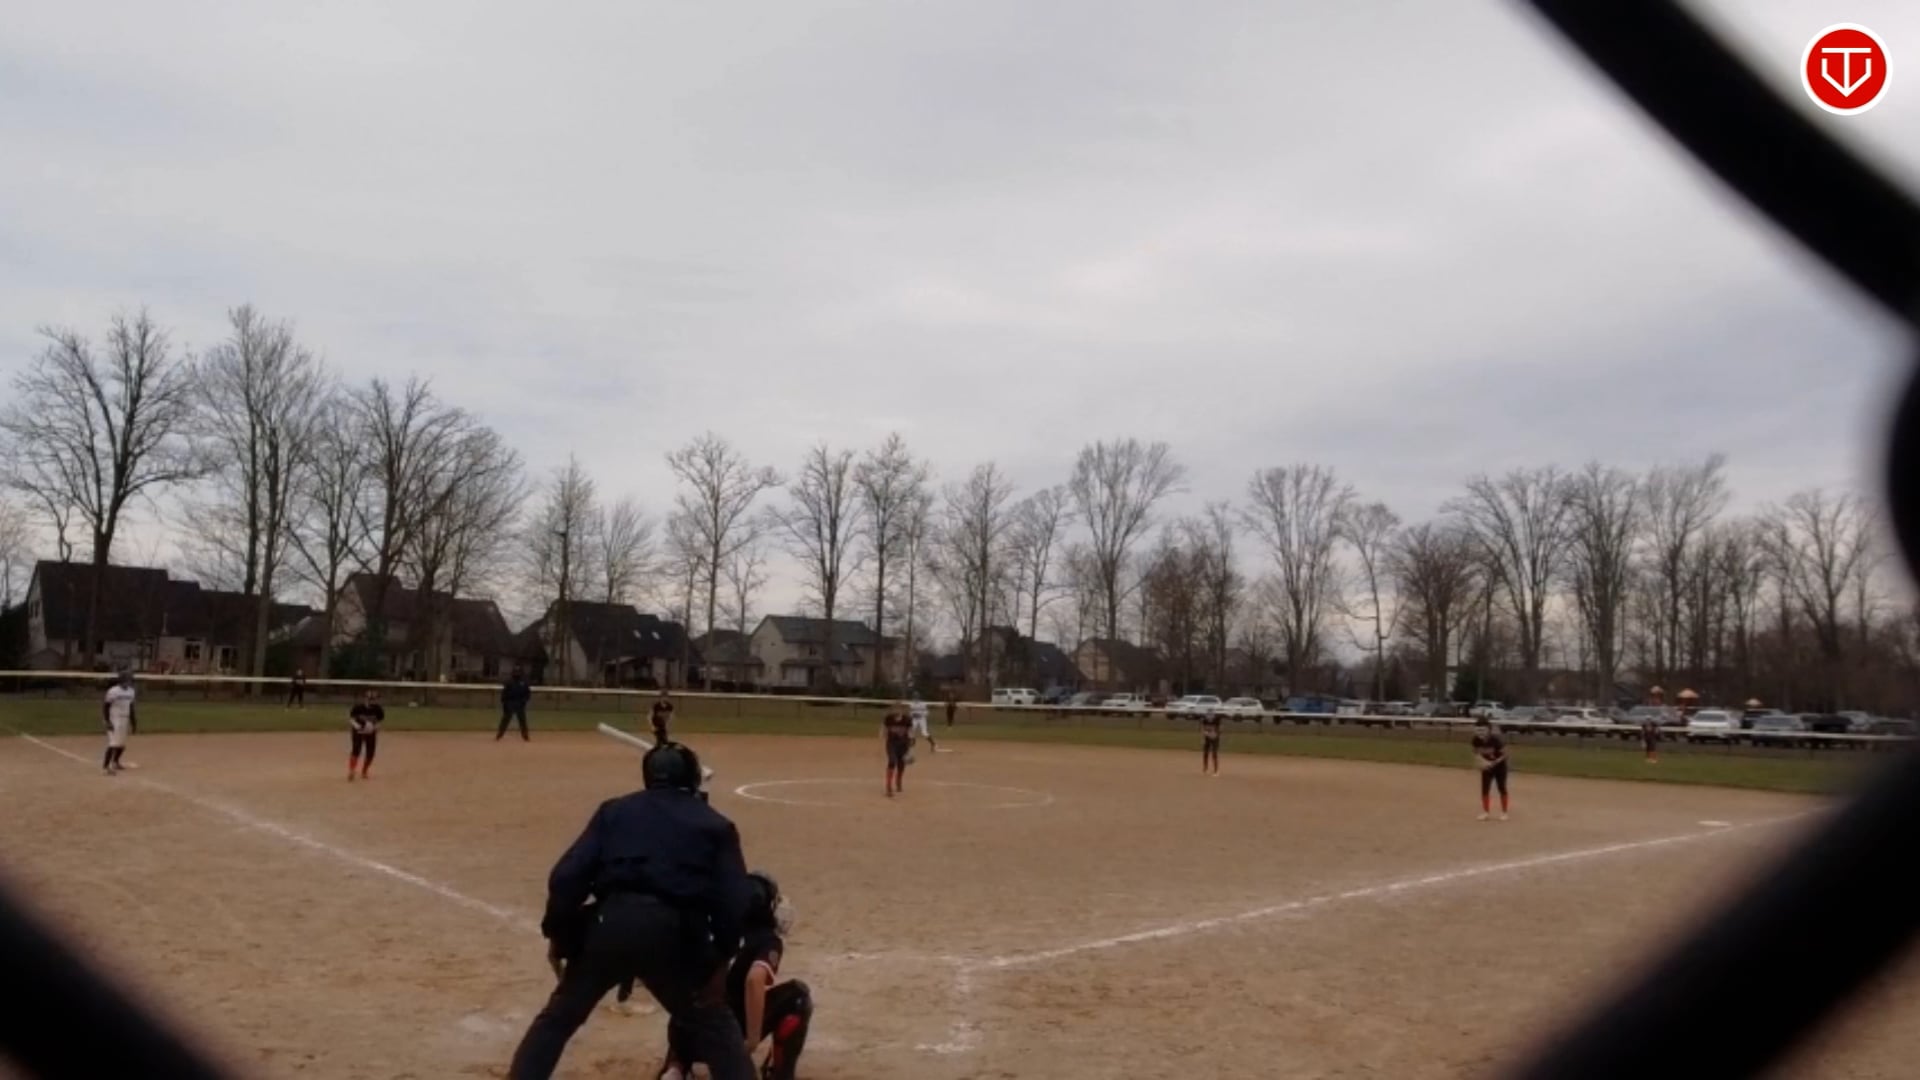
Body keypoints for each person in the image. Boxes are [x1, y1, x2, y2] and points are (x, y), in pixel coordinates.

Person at [506, 742, 756, 1080]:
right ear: (694, 778)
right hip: (675, 935)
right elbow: (735, 900)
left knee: (558, 1018)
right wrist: (717, 958)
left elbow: (566, 878)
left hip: (609, 925)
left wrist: (561, 935)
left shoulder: (613, 812)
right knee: (715, 1026)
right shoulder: (716, 826)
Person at [658, 871, 811, 1080]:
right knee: (797, 996)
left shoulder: (713, 928)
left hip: (684, 1034)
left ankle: (676, 1067)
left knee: (696, 994)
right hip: (726, 1036)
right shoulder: (766, 939)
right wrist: (752, 1041)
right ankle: (780, 1074)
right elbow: (754, 980)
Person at [1471, 719, 1509, 820]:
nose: (1480, 732)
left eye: (1483, 730)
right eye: (1478, 730)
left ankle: (1504, 813)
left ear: (1489, 730)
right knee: (1485, 789)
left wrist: (1494, 762)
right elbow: (1476, 752)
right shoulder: (1476, 740)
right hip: (1487, 767)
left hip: (1500, 767)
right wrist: (1482, 761)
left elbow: (1505, 754)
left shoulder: (1496, 740)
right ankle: (1485, 812)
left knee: (1501, 788)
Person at [101, 670, 136, 777]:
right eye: (128, 679)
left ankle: (115, 762)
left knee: (122, 743)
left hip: (125, 718)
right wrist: (107, 721)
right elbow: (106, 706)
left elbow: (131, 707)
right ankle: (106, 767)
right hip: (114, 719)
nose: (129, 681)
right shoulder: (113, 691)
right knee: (113, 743)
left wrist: (133, 722)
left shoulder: (131, 691)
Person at [349, 689, 385, 781]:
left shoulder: (378, 709)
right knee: (356, 750)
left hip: (370, 732)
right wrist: (356, 726)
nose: (372, 701)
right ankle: (352, 771)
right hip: (358, 732)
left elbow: (380, 721)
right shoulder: (358, 707)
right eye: (370, 699)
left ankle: (364, 771)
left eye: (374, 699)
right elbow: (351, 719)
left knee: (370, 753)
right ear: (365, 698)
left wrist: (376, 727)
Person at [883, 703, 912, 797]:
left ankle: (898, 780)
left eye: (899, 709)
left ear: (902, 710)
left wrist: (910, 743)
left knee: (901, 764)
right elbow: (885, 728)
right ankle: (888, 787)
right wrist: (883, 734)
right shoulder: (889, 718)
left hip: (903, 744)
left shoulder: (907, 719)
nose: (896, 710)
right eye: (895, 709)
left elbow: (910, 731)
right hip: (892, 744)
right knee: (892, 761)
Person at [499, 666, 532, 742]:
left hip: (520, 703)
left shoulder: (524, 683)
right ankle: (500, 734)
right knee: (505, 719)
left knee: (522, 720)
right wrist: (505, 703)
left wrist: (524, 701)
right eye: (515, 672)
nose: (517, 674)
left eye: (518, 672)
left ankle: (525, 735)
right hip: (510, 703)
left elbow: (527, 694)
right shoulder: (509, 682)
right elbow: (504, 693)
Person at [1200, 708, 1222, 776]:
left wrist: (1216, 734)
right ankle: (1205, 768)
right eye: (1208, 714)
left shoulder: (1217, 719)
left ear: (1213, 715)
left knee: (1214, 753)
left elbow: (1220, 729)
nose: (1209, 716)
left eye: (1211, 714)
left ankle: (1216, 771)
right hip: (1207, 738)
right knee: (1205, 753)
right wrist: (1205, 735)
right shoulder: (1204, 720)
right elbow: (1202, 728)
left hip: (1215, 738)